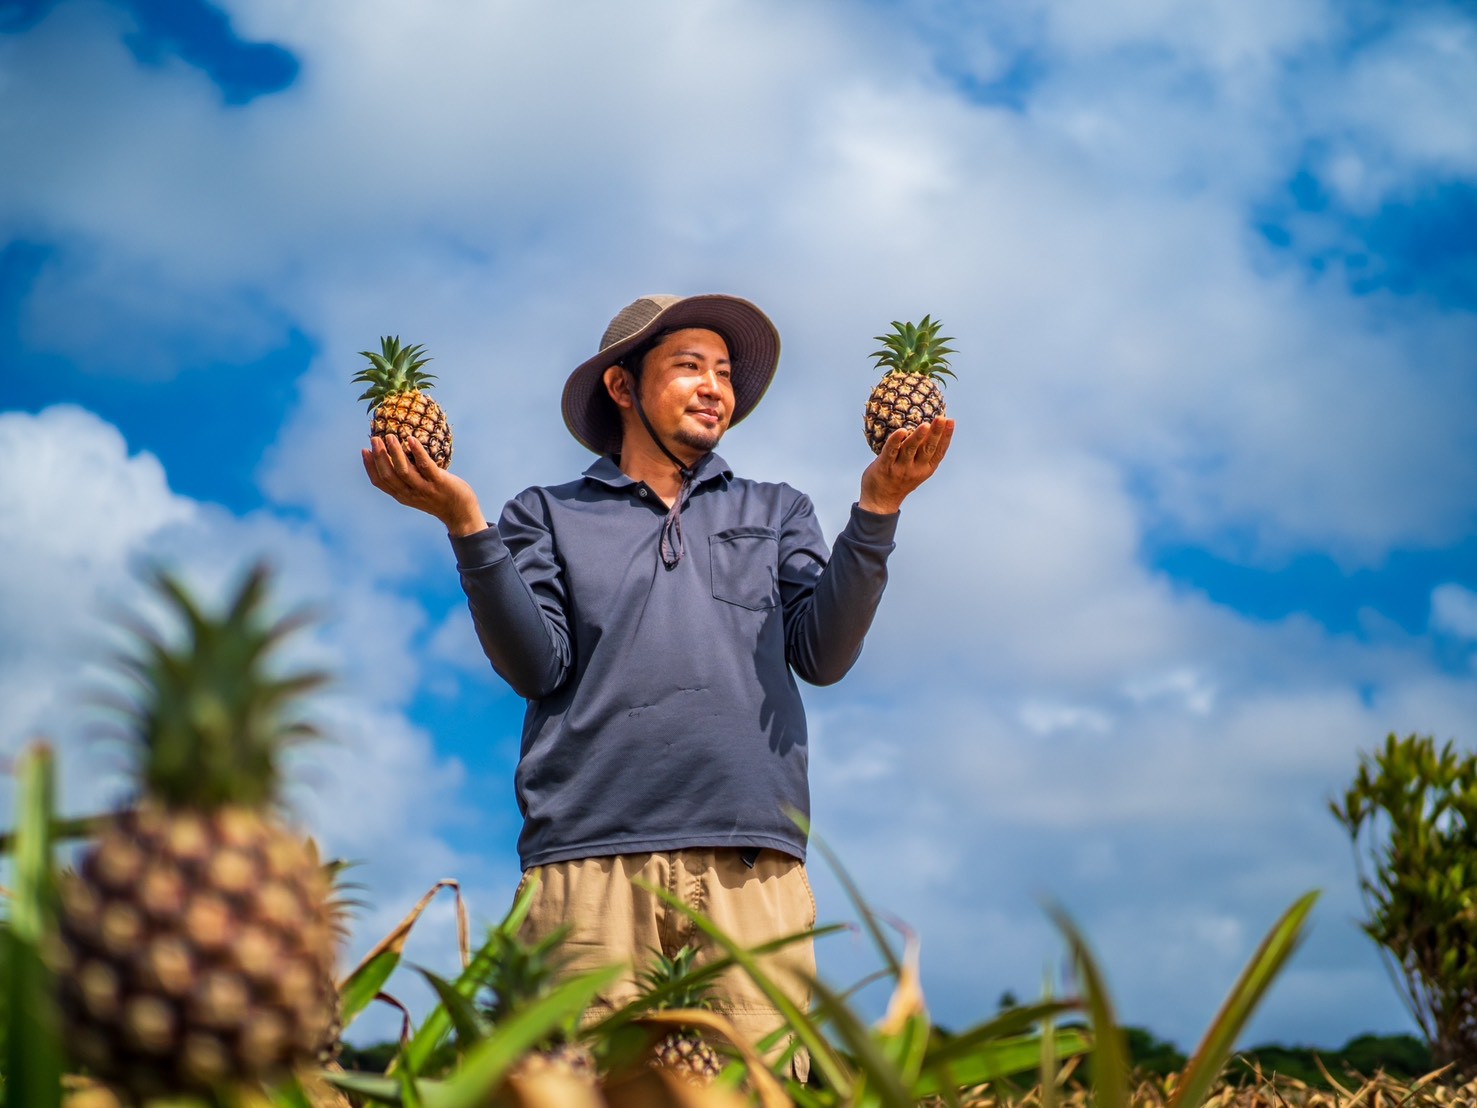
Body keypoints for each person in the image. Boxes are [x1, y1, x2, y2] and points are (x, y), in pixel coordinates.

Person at [361, 293, 953, 1076]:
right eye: (688, 367)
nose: (715, 386)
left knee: (757, 1092)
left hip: (751, 867)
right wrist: (466, 523)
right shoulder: (543, 514)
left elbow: (824, 656)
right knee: (571, 1090)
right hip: (585, 867)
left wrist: (877, 508)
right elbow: (536, 666)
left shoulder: (777, 512)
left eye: (723, 372)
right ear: (621, 387)